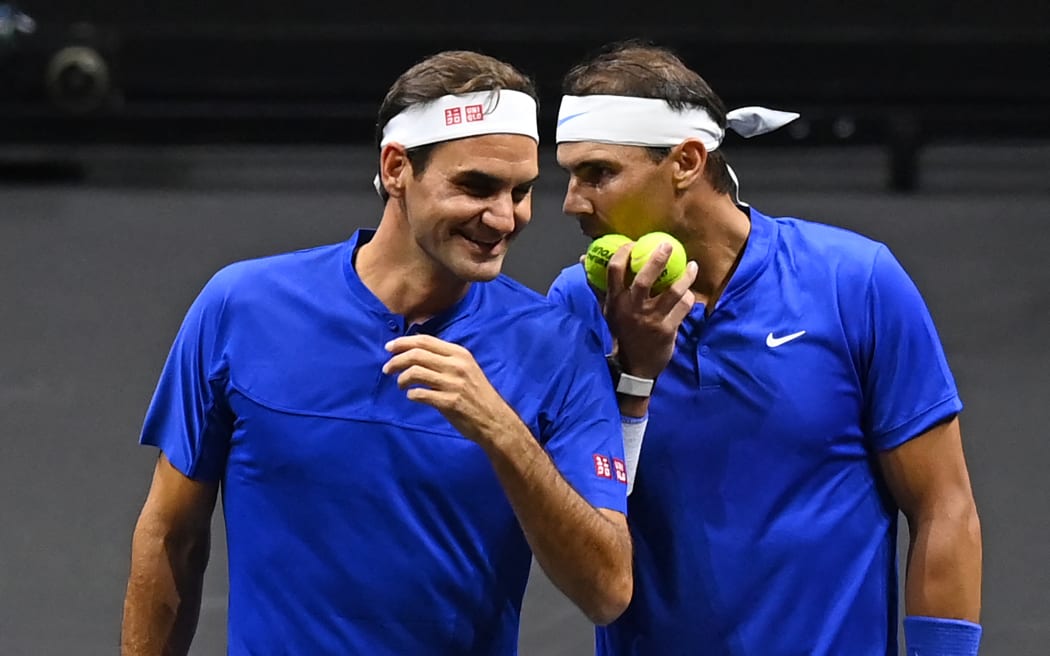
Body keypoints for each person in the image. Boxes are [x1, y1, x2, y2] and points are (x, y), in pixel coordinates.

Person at [121, 50, 635, 656]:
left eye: (521, 191)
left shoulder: (558, 345)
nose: (505, 217)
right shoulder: (241, 305)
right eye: (476, 186)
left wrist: (502, 431)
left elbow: (608, 591)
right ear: (396, 169)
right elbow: (170, 538)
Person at [548, 41, 983, 655]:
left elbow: (944, 506)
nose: (572, 201)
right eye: (570, 174)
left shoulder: (853, 282)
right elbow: (583, 534)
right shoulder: (576, 303)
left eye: (598, 173)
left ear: (687, 161)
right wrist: (634, 374)